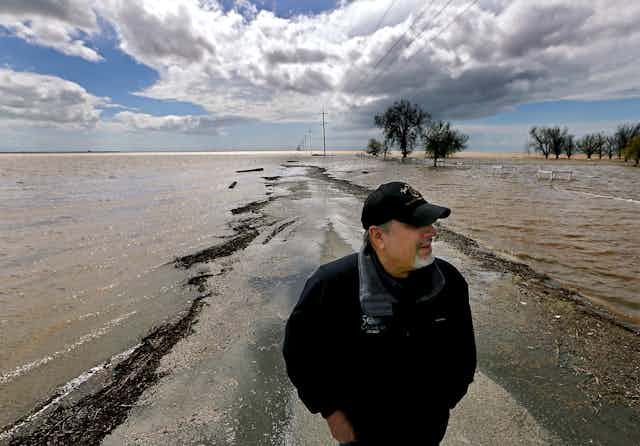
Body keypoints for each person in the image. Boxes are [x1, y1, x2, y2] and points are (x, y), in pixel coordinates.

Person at [283, 181, 477, 445]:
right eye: (417, 224)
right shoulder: (332, 285)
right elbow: (300, 354)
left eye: (431, 222)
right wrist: (332, 414)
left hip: (427, 430)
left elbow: (463, 355)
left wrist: (442, 405)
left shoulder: (449, 282)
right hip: (362, 433)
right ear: (378, 237)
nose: (432, 231)